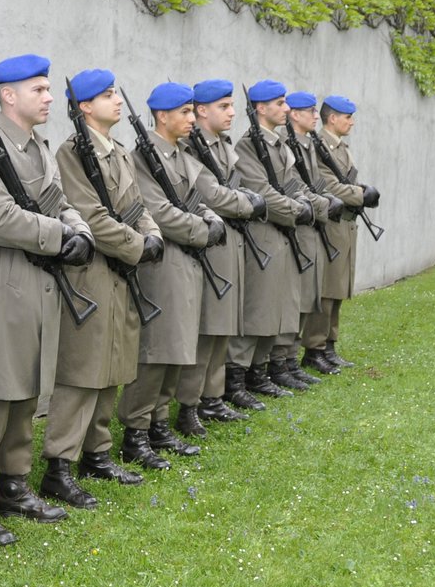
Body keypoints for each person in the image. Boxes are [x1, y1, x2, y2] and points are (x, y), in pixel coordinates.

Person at [0, 54, 93, 543]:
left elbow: (61, 201)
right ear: (8, 96)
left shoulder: (39, 147)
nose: (50, 98)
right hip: (0, 281)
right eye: (39, 89)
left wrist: (80, 230)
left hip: (40, 281)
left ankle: (12, 487)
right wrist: (60, 235)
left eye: (49, 89)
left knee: (28, 385)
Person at [40, 68, 162, 509]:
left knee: (113, 361)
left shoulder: (121, 153)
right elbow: (89, 215)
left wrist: (153, 237)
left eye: (115, 92)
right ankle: (59, 465)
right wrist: (137, 246)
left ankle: (97, 452)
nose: (116, 101)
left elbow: (138, 207)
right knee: (82, 370)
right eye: (107, 95)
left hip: (121, 273)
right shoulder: (72, 153)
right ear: (85, 107)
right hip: (92, 271)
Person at [115, 82, 223, 465]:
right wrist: (204, 230)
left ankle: (159, 423)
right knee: (157, 350)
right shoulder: (143, 159)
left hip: (187, 263)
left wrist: (211, 218)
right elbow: (159, 212)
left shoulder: (178, 156)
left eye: (194, 112)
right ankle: (136, 431)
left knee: (178, 348)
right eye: (185, 113)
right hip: (164, 263)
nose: (193, 119)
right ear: (163, 116)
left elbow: (197, 200)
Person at [179, 79, 264, 430]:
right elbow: (211, 195)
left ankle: (212, 398)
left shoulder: (223, 145)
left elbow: (236, 183)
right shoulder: (190, 148)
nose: (231, 113)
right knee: (207, 329)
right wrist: (250, 203)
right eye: (224, 106)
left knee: (223, 327)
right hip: (209, 244)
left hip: (230, 242)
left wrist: (245, 198)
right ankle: (188, 405)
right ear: (202, 110)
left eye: (231, 106)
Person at [231, 80, 316, 403]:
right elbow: (262, 192)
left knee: (279, 305)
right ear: (260, 108)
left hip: (282, 234)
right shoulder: (247, 146)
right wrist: (299, 210)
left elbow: (293, 184)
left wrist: (311, 204)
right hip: (264, 234)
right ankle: (237, 379)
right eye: (279, 103)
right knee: (258, 311)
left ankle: (262, 371)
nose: (286, 109)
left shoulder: (278, 143)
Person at [303, 95, 377, 372]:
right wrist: (361, 194)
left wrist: (360, 190)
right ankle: (315, 347)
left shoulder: (340, 147)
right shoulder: (320, 147)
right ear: (332, 118)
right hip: (331, 224)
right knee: (326, 289)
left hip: (346, 223)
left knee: (340, 287)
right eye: (347, 117)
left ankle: (329, 345)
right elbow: (329, 186)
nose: (352, 122)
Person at [276, 91, 337, 391]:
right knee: (296, 298)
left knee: (307, 295)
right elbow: (294, 187)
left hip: (311, 222)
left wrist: (323, 199)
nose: (316, 116)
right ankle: (284, 361)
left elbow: (316, 184)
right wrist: (321, 203)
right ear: (294, 116)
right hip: (298, 225)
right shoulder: (288, 145)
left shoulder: (308, 145)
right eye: (310, 111)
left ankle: (289, 360)